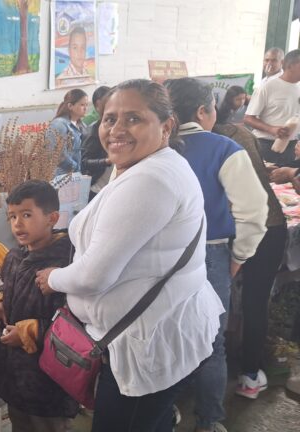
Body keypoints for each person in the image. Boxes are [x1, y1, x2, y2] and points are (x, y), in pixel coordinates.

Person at [35, 79, 224, 432]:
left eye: (133, 118)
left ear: (166, 126)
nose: (117, 130)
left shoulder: (149, 179)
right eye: (109, 119)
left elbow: (94, 276)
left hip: (145, 347)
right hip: (160, 331)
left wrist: (52, 278)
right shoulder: (149, 165)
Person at [166, 77, 268, 432]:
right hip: (210, 254)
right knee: (210, 342)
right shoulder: (223, 148)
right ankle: (208, 422)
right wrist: (239, 255)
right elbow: (254, 211)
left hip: (160, 257)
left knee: (166, 335)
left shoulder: (156, 145)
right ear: (202, 110)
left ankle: (164, 410)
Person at [0, 180, 78, 432]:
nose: (17, 223)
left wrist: (31, 331)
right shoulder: (15, 256)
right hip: (17, 374)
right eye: (12, 216)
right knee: (21, 423)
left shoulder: (67, 264)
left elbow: (77, 321)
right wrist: (0, 303)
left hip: (49, 379)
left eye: (27, 215)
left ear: (52, 217)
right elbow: (7, 284)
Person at [211, 122, 287, 400]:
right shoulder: (240, 133)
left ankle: (210, 377)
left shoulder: (195, 141)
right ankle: (250, 376)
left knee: (215, 303)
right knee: (255, 302)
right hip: (269, 225)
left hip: (227, 229)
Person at [244, 49, 300, 165]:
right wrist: (272, 129)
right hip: (266, 145)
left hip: (292, 147)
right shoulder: (267, 87)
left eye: (274, 60)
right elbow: (248, 118)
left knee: (288, 181)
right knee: (266, 181)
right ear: (290, 65)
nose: (270, 63)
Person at [45, 89, 89, 177]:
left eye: (87, 105)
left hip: (77, 175)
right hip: (62, 177)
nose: (85, 108)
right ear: (70, 106)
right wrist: (76, 167)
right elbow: (57, 154)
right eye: (82, 105)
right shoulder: (59, 124)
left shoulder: (82, 125)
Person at [81, 86, 113, 199]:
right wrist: (106, 161)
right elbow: (84, 161)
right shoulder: (95, 130)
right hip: (97, 189)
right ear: (99, 105)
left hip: (113, 188)